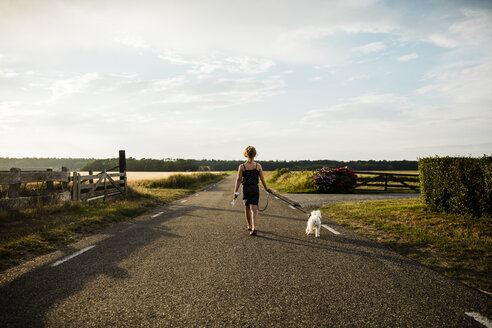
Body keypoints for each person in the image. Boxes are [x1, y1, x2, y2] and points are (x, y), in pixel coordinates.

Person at [233, 146, 271, 236]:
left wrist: (235, 192)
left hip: (246, 189)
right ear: (255, 154)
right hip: (255, 189)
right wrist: (266, 189)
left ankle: (249, 225)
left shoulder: (242, 167)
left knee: (247, 208)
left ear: (245, 154)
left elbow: (238, 180)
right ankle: (254, 227)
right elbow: (262, 179)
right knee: (254, 209)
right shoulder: (258, 166)